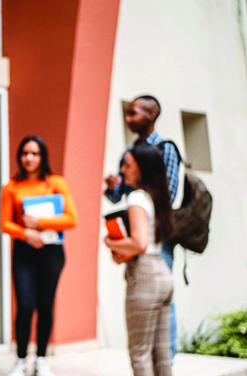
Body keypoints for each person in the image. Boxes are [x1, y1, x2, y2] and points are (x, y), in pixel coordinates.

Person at [104, 95, 180, 358]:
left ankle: (167, 357)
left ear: (151, 115)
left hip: (157, 240)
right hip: (138, 236)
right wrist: (115, 186)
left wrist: (120, 240)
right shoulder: (129, 152)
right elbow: (118, 196)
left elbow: (165, 197)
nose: (128, 119)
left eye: (133, 113)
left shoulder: (165, 149)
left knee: (159, 314)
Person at [0, 135, 78, 376]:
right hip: (24, 253)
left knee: (46, 305)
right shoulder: (11, 187)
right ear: (19, 157)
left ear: (42, 156)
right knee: (24, 305)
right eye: (25, 153)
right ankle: (21, 359)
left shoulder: (55, 183)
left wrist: (40, 223)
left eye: (34, 153)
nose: (29, 158)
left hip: (52, 253)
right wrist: (26, 233)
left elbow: (71, 219)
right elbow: (4, 223)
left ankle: (42, 359)